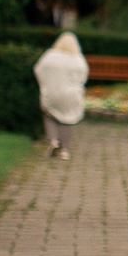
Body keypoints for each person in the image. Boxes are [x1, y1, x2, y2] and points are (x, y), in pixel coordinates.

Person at [33, 31, 89, 160]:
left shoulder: (50, 56)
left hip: (52, 92)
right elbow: (83, 76)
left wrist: (45, 84)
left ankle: (53, 140)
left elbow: (38, 70)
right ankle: (65, 150)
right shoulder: (77, 59)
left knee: (49, 115)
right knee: (68, 119)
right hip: (71, 94)